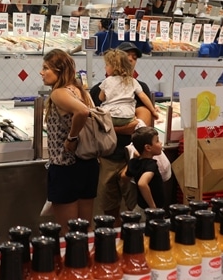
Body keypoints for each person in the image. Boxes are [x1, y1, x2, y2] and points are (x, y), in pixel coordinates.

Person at [89, 41, 154, 227]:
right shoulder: (99, 88)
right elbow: (92, 122)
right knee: (109, 206)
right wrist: (122, 127)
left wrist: (111, 127)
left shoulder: (139, 87)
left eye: (135, 57)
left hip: (132, 158)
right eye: (128, 56)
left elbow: (141, 125)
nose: (132, 60)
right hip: (107, 157)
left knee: (133, 207)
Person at [40, 49, 99, 235]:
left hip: (66, 165)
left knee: (69, 231)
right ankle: (87, 263)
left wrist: (71, 138)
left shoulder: (59, 93)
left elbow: (82, 112)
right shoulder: (82, 91)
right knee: (85, 227)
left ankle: (73, 264)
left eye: (46, 68)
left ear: (59, 70)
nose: (41, 73)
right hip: (88, 164)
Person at [98, 49, 159, 127]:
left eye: (106, 65)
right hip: (127, 117)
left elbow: (101, 98)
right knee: (137, 123)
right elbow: (143, 97)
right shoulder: (132, 81)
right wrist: (153, 111)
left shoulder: (106, 81)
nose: (104, 67)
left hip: (110, 117)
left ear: (114, 67)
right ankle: (138, 127)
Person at [125, 127, 166, 209]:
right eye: (157, 141)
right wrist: (153, 207)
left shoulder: (134, 162)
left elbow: (123, 176)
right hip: (149, 211)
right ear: (148, 147)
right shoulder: (151, 164)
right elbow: (142, 183)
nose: (161, 143)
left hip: (140, 206)